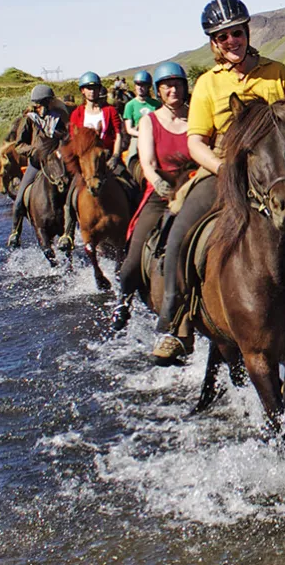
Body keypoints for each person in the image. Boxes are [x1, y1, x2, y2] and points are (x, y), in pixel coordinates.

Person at [149, 0, 285, 365]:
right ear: (214, 43)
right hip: (224, 172)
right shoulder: (207, 86)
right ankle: (176, 323)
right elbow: (195, 141)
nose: (232, 41)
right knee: (180, 230)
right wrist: (222, 168)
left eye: (237, 33)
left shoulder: (277, 73)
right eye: (223, 36)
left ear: (246, 33)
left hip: (277, 172)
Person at [115, 62, 203, 360]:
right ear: (159, 91)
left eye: (177, 84)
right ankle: (124, 300)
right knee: (130, 263)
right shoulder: (150, 121)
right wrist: (157, 183)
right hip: (162, 192)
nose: (172, 89)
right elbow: (148, 162)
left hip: (195, 188)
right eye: (166, 85)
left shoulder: (196, 116)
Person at [8, 83, 71, 249]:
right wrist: (33, 151)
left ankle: (70, 233)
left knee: (72, 191)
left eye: (48, 102)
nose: (46, 106)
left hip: (56, 163)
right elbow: (19, 145)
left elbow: (66, 137)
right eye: (44, 103)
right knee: (20, 197)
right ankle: (15, 232)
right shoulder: (29, 120)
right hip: (36, 164)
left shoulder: (57, 118)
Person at [121, 70, 161, 169]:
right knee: (131, 157)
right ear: (135, 86)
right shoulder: (130, 105)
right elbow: (129, 129)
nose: (140, 87)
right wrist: (143, 134)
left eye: (143, 85)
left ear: (148, 87)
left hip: (156, 135)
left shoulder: (156, 104)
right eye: (138, 84)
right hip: (137, 136)